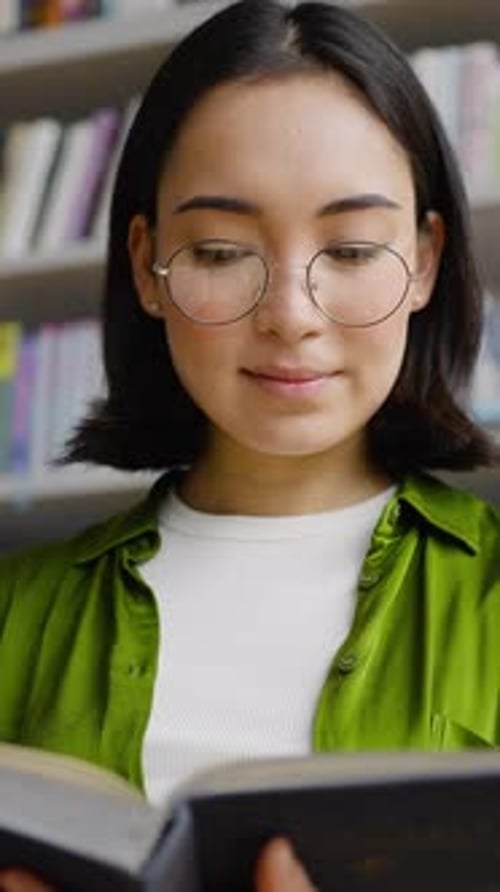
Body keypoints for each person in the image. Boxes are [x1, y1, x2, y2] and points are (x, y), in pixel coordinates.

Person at [0, 0, 499, 888]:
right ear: (149, 265)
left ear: (423, 261)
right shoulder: (15, 617)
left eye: (349, 249)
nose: (291, 317)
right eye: (224, 250)